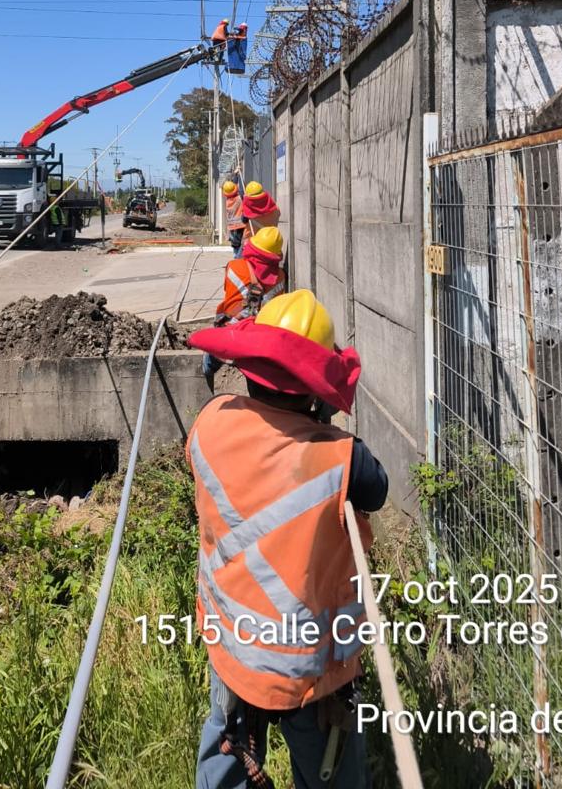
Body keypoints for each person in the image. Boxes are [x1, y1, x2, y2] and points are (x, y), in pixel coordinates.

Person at [187, 290, 389, 789]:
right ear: (316, 390)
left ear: (251, 367)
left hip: (233, 648)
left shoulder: (210, 422)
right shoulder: (341, 457)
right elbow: (377, 489)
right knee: (332, 773)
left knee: (225, 754)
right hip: (310, 676)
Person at [202, 226, 286, 391]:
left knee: (209, 361)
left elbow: (228, 294)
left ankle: (207, 378)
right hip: (260, 339)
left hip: (232, 332)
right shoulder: (281, 277)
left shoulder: (233, 267)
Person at [221, 179, 246, 255]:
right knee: (240, 243)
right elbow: (242, 191)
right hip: (240, 225)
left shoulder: (228, 200)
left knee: (235, 244)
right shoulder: (239, 198)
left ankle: (236, 256)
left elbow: (233, 188)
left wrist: (236, 176)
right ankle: (238, 258)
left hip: (232, 226)